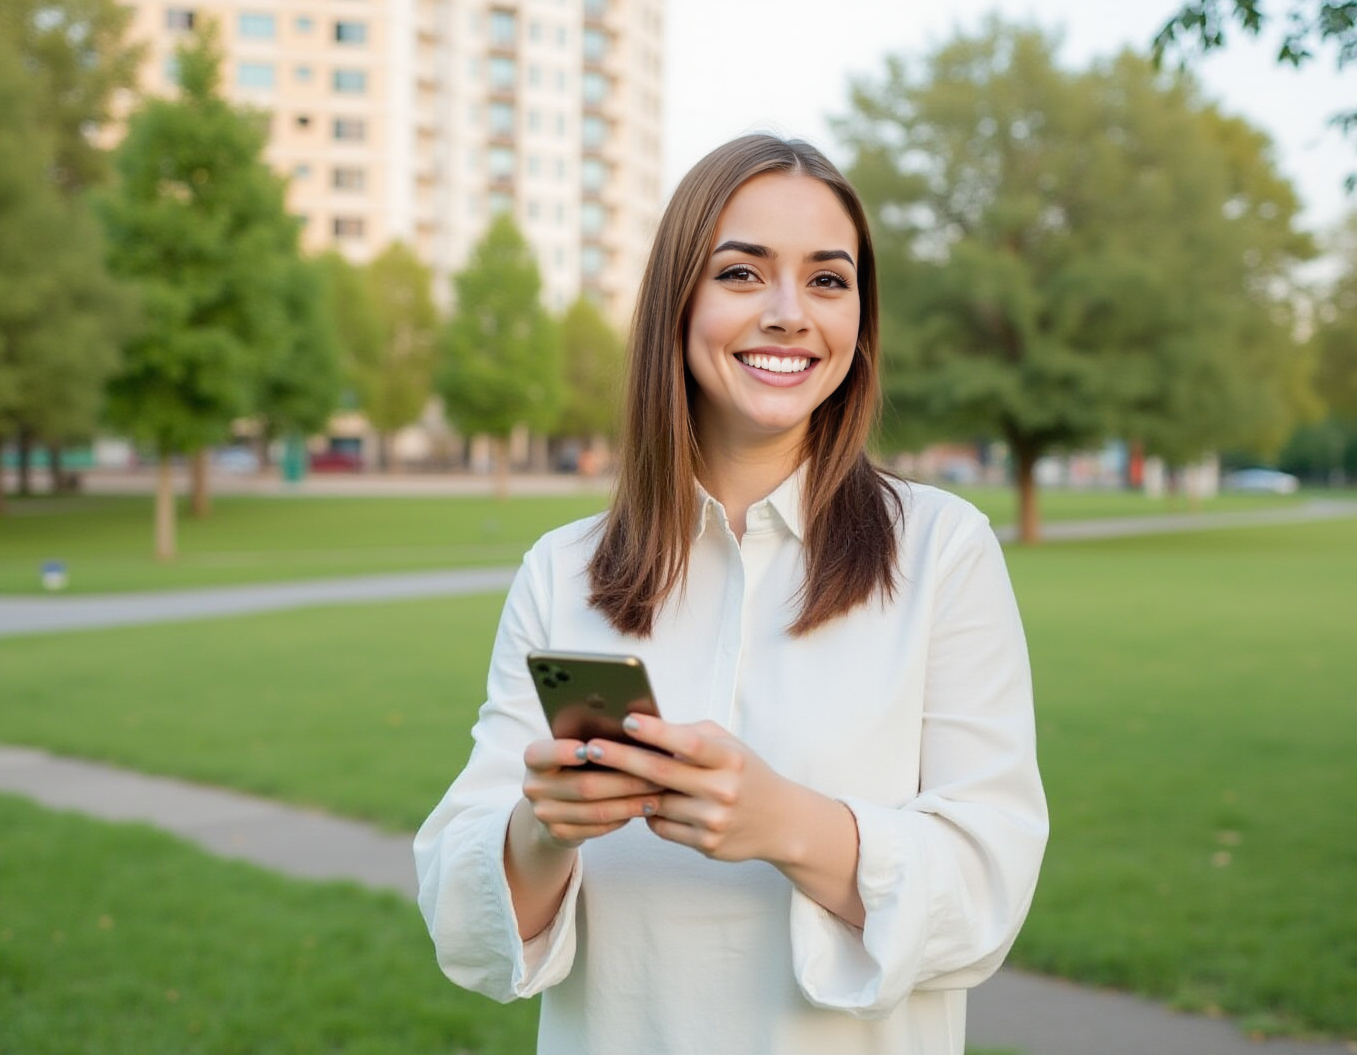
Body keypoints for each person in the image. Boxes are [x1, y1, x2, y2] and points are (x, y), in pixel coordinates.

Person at [414, 134, 1049, 1055]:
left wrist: (785, 823)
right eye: (743, 273)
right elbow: (466, 929)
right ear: (678, 300)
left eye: (828, 281)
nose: (791, 313)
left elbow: (989, 887)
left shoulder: (942, 549)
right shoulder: (563, 568)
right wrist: (545, 828)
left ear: (859, 321)